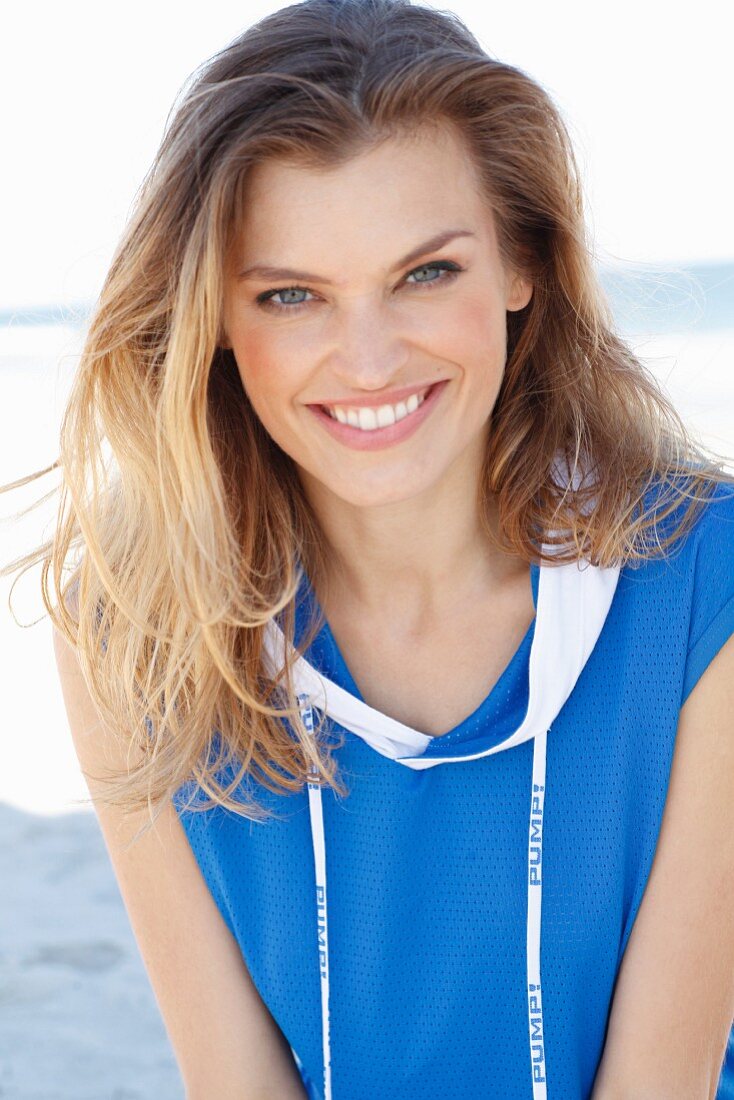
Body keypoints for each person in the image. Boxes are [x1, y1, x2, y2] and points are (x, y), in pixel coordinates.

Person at [4, 0, 733, 1096]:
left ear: (521, 264)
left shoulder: (703, 584)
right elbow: (236, 1080)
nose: (368, 357)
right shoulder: (129, 629)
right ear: (212, 320)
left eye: (424, 272)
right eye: (291, 295)